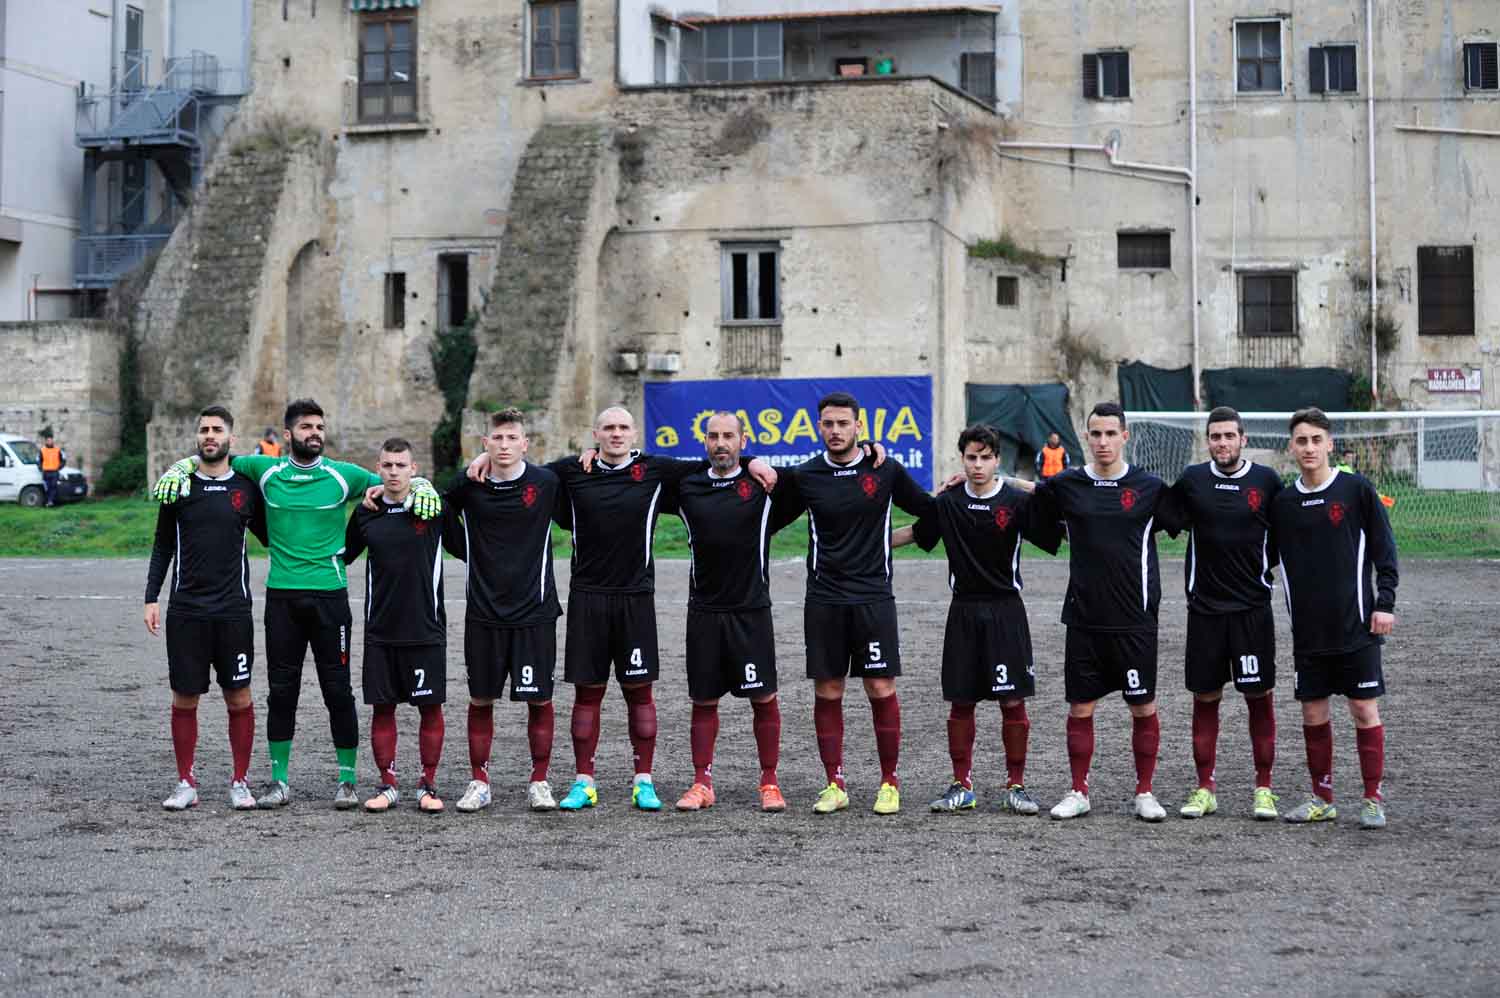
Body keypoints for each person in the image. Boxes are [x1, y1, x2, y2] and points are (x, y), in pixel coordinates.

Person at [467, 406, 773, 812]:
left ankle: (643, 781)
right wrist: (484, 457)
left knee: (639, 692)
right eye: (608, 428)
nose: (615, 434)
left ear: (634, 433)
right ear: (595, 433)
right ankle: (583, 781)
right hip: (587, 598)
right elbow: (523, 469)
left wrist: (754, 460)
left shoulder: (657, 471)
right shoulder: (571, 472)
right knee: (587, 693)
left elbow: (717, 461)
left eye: (623, 428)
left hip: (636, 599)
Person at [152, 398, 442, 810]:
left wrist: (425, 484)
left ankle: (346, 782)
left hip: (330, 597)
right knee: (281, 692)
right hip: (283, 598)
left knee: (338, 691)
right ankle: (279, 781)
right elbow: (216, 458)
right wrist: (181, 465)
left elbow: (393, 478)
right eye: (306, 427)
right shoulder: (263, 470)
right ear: (288, 435)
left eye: (320, 427)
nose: (315, 434)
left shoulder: (345, 476)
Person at [771, 391, 936, 815]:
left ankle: (889, 783)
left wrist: (898, 538)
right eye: (828, 423)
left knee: (880, 686)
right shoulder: (805, 476)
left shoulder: (884, 470)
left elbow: (932, 512)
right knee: (828, 689)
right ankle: (835, 783)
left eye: (844, 423)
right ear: (818, 427)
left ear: (859, 427)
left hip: (873, 597)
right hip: (824, 599)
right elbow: (763, 519)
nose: (835, 431)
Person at [892, 424, 1060, 815]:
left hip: (1006, 611)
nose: (978, 465)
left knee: (1012, 701)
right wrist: (864, 542)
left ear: (997, 461)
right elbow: (916, 533)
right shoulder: (948, 502)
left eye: (986, 458)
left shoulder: (1016, 503)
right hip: (963, 611)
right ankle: (961, 784)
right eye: (971, 458)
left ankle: (1016, 785)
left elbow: (1058, 509)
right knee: (961, 700)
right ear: (962, 459)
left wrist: (1016, 483)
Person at [1028, 402, 1182, 822]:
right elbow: (1031, 496)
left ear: (1125, 436)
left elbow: (1194, 519)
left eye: (1110, 433)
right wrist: (986, 478)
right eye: (1095, 434)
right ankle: (1078, 790)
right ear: (1087, 437)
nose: (1102, 442)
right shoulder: (1068, 485)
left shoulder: (1150, 488)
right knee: (1081, 708)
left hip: (1135, 620)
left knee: (1143, 706)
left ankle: (1145, 792)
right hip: (1084, 617)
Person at [1270, 407, 1398, 829]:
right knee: (1313, 714)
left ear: (1330, 444)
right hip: (1308, 632)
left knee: (1363, 709)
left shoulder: (1356, 489)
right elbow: (1263, 557)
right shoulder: (1284, 503)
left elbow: (1384, 549)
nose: (1308, 448)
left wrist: (1386, 602)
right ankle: (1322, 797)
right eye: (1301, 441)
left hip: (1356, 625)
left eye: (1315, 440)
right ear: (1291, 447)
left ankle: (1372, 798)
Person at [668, 412, 794, 813]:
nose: (720, 443)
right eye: (713, 436)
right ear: (704, 442)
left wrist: (755, 460)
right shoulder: (686, 485)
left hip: (750, 610)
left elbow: (821, 473)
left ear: (743, 440)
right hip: (704, 611)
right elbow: (641, 470)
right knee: (704, 701)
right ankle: (702, 782)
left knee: (763, 697)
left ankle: (769, 782)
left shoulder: (764, 485)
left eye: (728, 436)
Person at [144, 406, 267, 811]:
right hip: (187, 610)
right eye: (204, 430)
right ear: (197, 438)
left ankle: (240, 782)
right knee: (184, 698)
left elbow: (273, 535)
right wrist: (151, 597)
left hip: (233, 610)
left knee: (239, 696)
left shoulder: (247, 488)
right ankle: (185, 783)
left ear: (231, 439)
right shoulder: (178, 486)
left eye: (217, 430)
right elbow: (163, 545)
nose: (209, 435)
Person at [444, 408, 565, 813]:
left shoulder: (546, 482)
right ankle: (479, 782)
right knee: (480, 699)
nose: (505, 445)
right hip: (484, 613)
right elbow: (440, 506)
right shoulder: (469, 485)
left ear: (526, 444)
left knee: (539, 699)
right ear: (485, 444)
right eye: (497, 439)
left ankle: (540, 781)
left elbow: (592, 472)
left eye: (513, 438)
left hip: (534, 613)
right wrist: (468, 471)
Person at [1168, 406, 1284, 821]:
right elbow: (1155, 513)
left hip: (1252, 611)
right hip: (1205, 611)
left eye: (1229, 436)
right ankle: (1205, 788)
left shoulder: (1267, 482)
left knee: (1258, 695)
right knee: (1205, 696)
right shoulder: (1193, 481)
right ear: (1208, 441)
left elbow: (1289, 533)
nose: (1222, 443)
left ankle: (1264, 789)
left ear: (1243, 439)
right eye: (1215, 436)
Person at [343, 438, 454, 813]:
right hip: (381, 630)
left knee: (430, 709)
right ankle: (388, 784)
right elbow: (343, 556)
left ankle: (428, 785)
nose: (393, 472)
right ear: (378, 467)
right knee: (383, 709)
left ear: (414, 469)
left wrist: (428, 490)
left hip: (425, 627)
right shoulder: (367, 512)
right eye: (387, 465)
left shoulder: (431, 508)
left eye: (401, 466)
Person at [39, 434, 64, 507]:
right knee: (46, 487)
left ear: (53, 441)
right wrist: (40, 468)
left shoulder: (57, 450)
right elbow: (39, 461)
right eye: (48, 440)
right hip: (45, 472)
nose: (50, 442)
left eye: (51, 440)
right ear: (46, 441)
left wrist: (59, 467)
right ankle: (48, 501)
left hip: (54, 472)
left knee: (53, 486)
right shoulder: (42, 450)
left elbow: (62, 460)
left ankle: (50, 501)